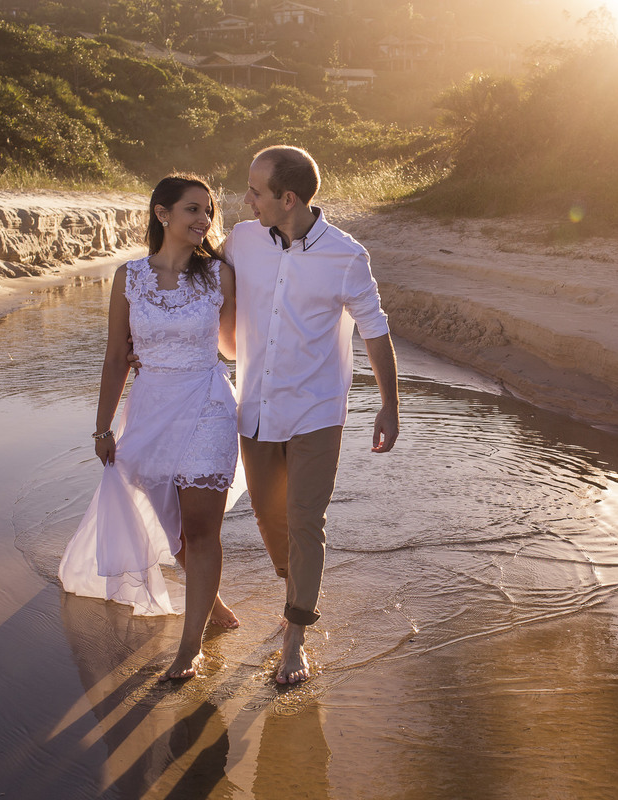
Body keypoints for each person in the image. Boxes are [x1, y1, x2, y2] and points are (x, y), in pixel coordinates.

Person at [59, 174, 243, 682]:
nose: (204, 220)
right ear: (162, 213)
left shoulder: (219, 277)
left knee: (203, 527)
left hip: (207, 403)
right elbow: (117, 354)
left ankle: (191, 645)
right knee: (173, 521)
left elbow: (231, 348)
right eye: (193, 209)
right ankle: (217, 606)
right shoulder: (129, 277)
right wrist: (102, 428)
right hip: (149, 408)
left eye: (208, 212)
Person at [228, 145, 400, 685]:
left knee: (305, 519)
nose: (247, 199)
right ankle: (293, 588)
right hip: (255, 404)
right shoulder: (242, 240)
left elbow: (375, 330)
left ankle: (295, 635)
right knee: (268, 516)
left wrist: (389, 405)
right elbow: (199, 282)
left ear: (288, 198)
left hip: (317, 410)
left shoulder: (347, 256)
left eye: (256, 191)